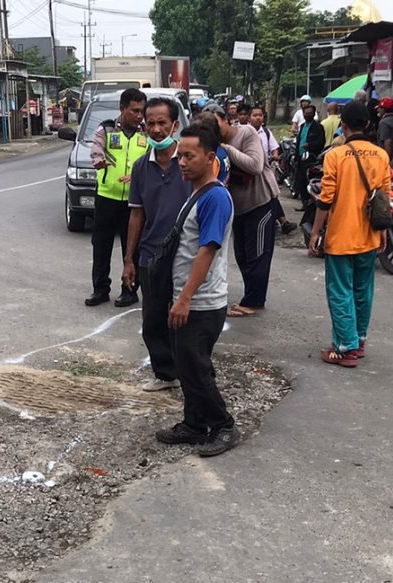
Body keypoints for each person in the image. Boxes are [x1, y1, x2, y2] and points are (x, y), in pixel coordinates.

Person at [154, 123, 239, 457]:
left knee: (196, 369)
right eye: (180, 157)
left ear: (209, 157)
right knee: (187, 367)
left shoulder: (215, 197)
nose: (182, 163)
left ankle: (224, 425)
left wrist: (185, 298)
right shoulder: (198, 193)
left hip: (202, 304)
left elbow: (207, 251)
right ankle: (194, 423)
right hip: (186, 299)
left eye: (189, 156)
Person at [308, 101, 389, 368]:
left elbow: (326, 198)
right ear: (367, 125)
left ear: (343, 125)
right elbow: (383, 198)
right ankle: (359, 340)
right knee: (363, 290)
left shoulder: (336, 155)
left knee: (340, 291)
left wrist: (315, 233)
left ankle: (345, 348)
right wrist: (383, 232)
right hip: (369, 235)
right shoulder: (381, 155)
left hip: (341, 237)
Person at [122, 97, 187, 393]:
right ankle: (165, 374)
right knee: (153, 319)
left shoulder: (190, 161)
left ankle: (192, 373)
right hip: (151, 254)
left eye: (163, 123)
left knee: (187, 318)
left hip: (186, 253)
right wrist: (129, 259)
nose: (157, 129)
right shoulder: (140, 167)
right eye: (151, 123)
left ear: (175, 125)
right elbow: (136, 213)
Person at [203, 104, 273, 318]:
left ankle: (254, 301)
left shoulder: (246, 132)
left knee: (258, 254)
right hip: (238, 207)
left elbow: (255, 166)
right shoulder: (212, 144)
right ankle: (251, 295)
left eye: (215, 125)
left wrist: (227, 149)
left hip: (260, 202)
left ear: (226, 120)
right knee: (241, 255)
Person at [87, 88, 148, 307]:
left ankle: (129, 291)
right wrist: (98, 160)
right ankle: (100, 289)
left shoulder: (146, 133)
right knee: (101, 246)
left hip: (135, 202)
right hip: (107, 197)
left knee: (132, 247)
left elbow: (153, 159)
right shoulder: (107, 129)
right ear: (123, 109)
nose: (139, 115)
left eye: (142, 111)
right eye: (134, 111)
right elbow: (95, 149)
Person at [248, 104, 295, 235]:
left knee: (271, 196)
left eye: (260, 115)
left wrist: (274, 155)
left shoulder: (266, 133)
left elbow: (274, 148)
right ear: (249, 117)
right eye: (255, 115)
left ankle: (280, 221)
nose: (258, 118)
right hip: (249, 171)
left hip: (265, 171)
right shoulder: (244, 132)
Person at [295, 104, 326, 227]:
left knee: (309, 183)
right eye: (305, 113)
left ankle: (310, 204)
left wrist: (310, 145)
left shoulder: (318, 127)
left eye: (309, 113)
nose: (307, 115)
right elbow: (298, 142)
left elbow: (321, 142)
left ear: (313, 114)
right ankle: (304, 203)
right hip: (301, 158)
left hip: (312, 159)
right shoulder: (302, 126)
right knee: (300, 182)